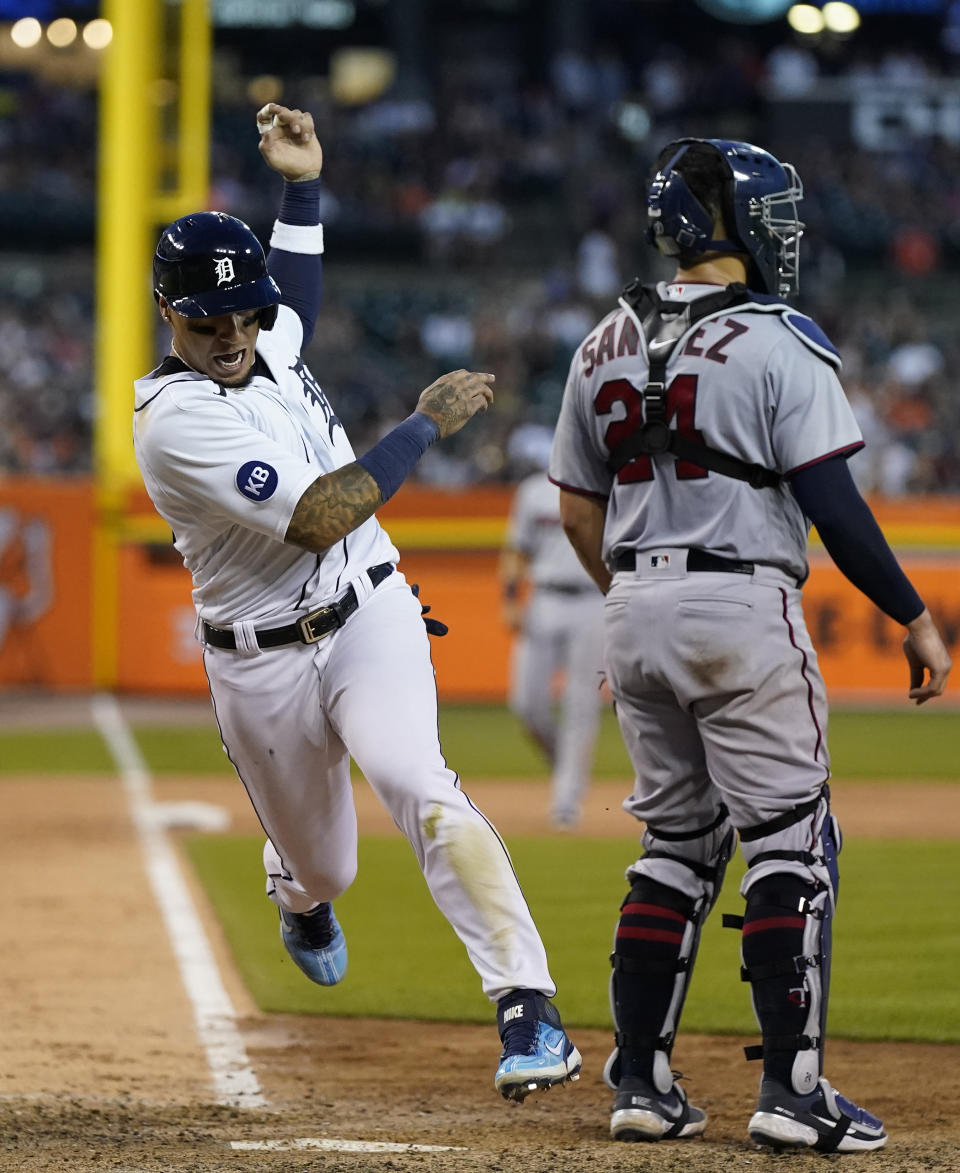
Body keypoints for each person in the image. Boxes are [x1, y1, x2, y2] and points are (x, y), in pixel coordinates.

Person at [132, 103, 580, 1103]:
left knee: (419, 782)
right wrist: (422, 425)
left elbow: (295, 299)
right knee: (327, 867)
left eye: (244, 315)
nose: (238, 335)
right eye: (211, 323)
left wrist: (302, 186)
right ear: (170, 316)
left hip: (370, 609)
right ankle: (296, 889)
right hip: (259, 661)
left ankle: (528, 1009)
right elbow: (324, 512)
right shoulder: (173, 426)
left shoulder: (260, 337)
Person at [549, 138, 951, 1151]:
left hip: (631, 605)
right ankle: (791, 1089)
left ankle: (641, 1083)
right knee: (791, 842)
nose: (786, 232)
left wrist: (635, 597)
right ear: (730, 227)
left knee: (676, 847)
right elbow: (831, 502)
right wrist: (909, 612)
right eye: (774, 214)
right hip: (740, 604)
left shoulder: (602, 338)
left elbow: (573, 504)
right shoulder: (781, 338)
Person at [500, 425, 605, 828]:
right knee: (527, 704)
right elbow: (516, 548)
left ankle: (566, 798)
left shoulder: (605, 483)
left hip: (592, 600)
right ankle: (567, 768)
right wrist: (510, 597)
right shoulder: (532, 490)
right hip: (543, 597)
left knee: (582, 704)